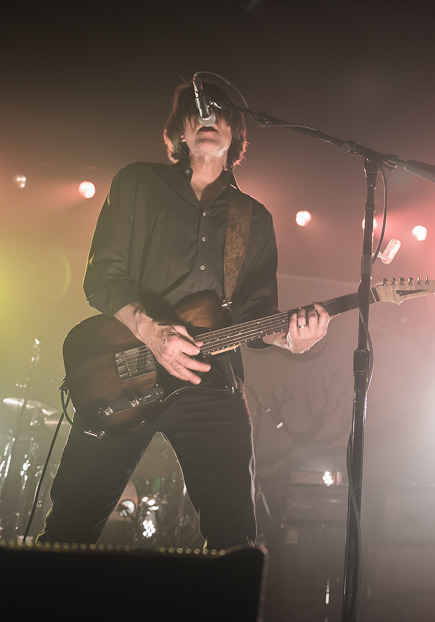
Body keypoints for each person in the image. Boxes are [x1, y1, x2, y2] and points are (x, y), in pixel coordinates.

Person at [38, 82, 330, 550]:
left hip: (210, 382)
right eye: (196, 112)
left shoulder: (254, 218)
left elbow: (256, 316)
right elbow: (103, 278)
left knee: (234, 540)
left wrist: (290, 340)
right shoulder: (136, 183)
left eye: (220, 112)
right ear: (180, 131)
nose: (208, 116)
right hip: (123, 372)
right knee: (69, 530)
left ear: (236, 131)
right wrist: (152, 333)